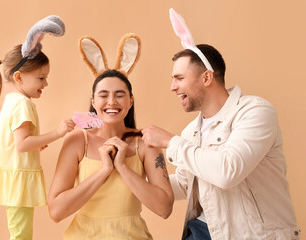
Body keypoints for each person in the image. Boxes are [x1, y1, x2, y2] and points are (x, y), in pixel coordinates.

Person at [141, 43, 300, 239]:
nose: (172, 87)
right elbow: (185, 184)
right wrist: (134, 178)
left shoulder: (255, 112)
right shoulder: (190, 132)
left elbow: (228, 171)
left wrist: (170, 142)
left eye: (179, 78)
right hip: (203, 232)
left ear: (206, 77)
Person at [0, 16, 75, 240]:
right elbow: (22, 145)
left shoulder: (11, 100)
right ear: (19, 77)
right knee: (21, 234)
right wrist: (58, 133)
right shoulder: (23, 104)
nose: (46, 84)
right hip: (17, 181)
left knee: (19, 229)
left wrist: (36, 144)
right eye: (41, 78)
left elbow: (13, 142)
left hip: (13, 177)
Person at [48, 69, 174, 239]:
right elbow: (56, 211)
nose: (112, 101)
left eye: (120, 95)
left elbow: (164, 208)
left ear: (130, 102)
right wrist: (104, 171)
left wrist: (122, 167)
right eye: (103, 95)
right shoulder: (77, 140)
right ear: (93, 101)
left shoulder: (145, 142)